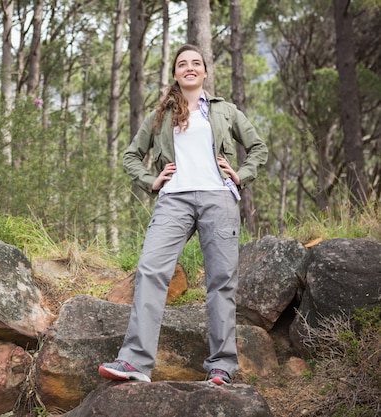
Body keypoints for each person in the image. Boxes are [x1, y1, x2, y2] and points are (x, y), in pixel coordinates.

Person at [98, 44, 268, 386]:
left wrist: (240, 175)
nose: (189, 68)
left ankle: (221, 366)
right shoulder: (160, 114)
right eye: (182, 64)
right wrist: (152, 180)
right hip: (173, 200)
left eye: (196, 63)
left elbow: (259, 148)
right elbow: (132, 156)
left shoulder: (225, 111)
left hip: (218, 198)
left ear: (205, 72)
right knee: (150, 270)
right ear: (175, 73)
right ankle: (135, 362)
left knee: (221, 280)